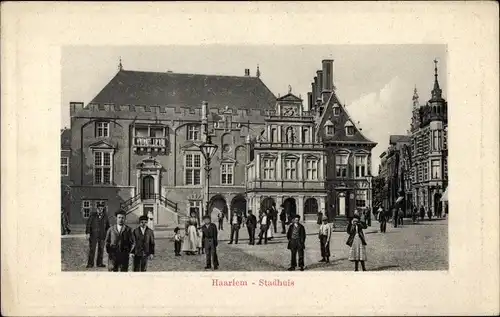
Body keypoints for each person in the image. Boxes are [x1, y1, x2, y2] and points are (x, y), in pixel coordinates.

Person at [85, 203, 110, 268]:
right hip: (93, 235)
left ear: (103, 209)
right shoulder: (92, 215)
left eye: (102, 209)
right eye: (99, 208)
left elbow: (108, 226)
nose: (100, 210)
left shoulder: (105, 216)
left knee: (101, 249)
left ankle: (99, 263)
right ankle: (90, 264)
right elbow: (88, 224)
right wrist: (88, 233)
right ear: (97, 209)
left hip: (102, 235)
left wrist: (108, 234)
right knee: (92, 249)